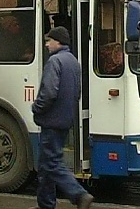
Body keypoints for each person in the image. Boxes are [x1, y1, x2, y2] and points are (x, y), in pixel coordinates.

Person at [31, 26, 94, 209]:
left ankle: (79, 195)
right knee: (45, 166)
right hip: (65, 120)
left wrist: (37, 108)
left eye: (48, 41)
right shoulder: (73, 61)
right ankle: (46, 204)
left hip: (51, 121)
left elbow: (49, 92)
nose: (46, 44)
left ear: (57, 42)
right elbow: (78, 92)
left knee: (52, 164)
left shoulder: (54, 61)